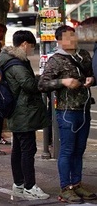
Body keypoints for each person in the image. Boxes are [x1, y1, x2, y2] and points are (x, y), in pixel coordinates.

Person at [39, 25, 96, 203]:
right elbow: (42, 84)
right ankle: (65, 187)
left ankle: (77, 184)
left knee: (80, 150)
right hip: (66, 111)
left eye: (74, 36)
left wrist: (91, 79)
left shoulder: (84, 56)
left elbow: (91, 74)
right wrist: (63, 81)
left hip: (84, 108)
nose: (72, 40)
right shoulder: (55, 60)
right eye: (68, 37)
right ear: (59, 41)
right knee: (67, 150)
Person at [0, 30, 49, 200]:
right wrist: (40, 80)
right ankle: (29, 186)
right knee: (28, 149)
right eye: (32, 47)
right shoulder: (17, 64)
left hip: (14, 110)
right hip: (23, 111)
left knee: (18, 149)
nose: (31, 50)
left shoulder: (6, 59)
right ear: (25, 44)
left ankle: (18, 184)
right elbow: (29, 85)